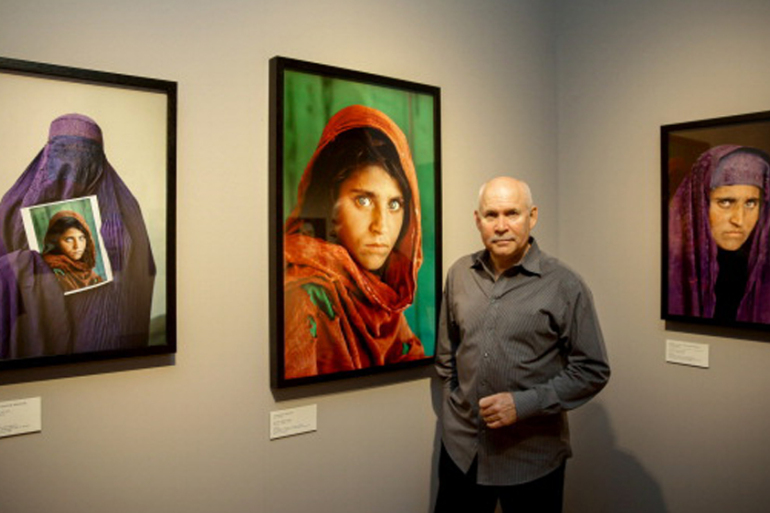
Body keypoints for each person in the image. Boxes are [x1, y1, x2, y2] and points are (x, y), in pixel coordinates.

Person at [434, 177, 610, 513]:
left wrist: (525, 403)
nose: (501, 226)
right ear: (477, 220)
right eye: (491, 215)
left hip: (531, 459)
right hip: (462, 453)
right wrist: (459, 407)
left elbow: (593, 369)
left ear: (532, 216)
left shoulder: (564, 285)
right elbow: (447, 357)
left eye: (512, 214)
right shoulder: (459, 274)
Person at [283, 105, 425, 379]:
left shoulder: (382, 300)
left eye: (395, 204)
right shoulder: (303, 297)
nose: (381, 226)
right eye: (363, 200)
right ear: (329, 203)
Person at [0, 113, 156, 359]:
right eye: (64, 151)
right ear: (48, 152)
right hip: (37, 328)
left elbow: (141, 275)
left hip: (100, 328)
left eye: (86, 153)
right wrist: (29, 263)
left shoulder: (125, 209)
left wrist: (113, 253)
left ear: (100, 156)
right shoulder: (12, 206)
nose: (73, 165)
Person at [668, 145, 770, 323]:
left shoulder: (761, 270)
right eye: (725, 202)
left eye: (751, 203)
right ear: (700, 203)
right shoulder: (674, 265)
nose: (739, 220)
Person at [41, 210, 104, 293]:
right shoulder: (53, 272)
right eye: (69, 239)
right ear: (55, 241)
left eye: (81, 238)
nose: (77, 246)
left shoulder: (87, 271)